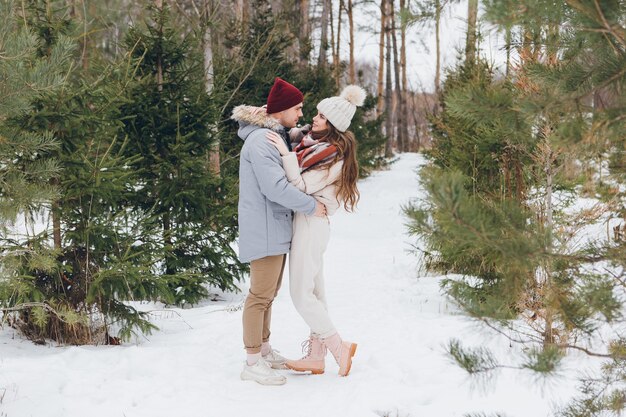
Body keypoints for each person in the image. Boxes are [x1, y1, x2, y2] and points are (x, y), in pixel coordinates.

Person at [231, 77, 327, 386]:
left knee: (268, 294)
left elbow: (295, 138)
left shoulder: (274, 135)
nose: (301, 114)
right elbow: (275, 187)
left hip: (273, 227)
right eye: (298, 109)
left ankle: (265, 349)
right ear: (283, 109)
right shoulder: (261, 142)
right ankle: (251, 361)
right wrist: (311, 205)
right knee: (259, 295)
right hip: (265, 228)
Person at [265, 85, 365, 377]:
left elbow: (302, 186)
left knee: (300, 293)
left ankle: (338, 347)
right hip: (310, 221)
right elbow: (296, 136)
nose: (315, 118)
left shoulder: (332, 153)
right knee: (315, 290)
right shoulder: (313, 143)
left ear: (333, 124)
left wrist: (284, 153)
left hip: (312, 222)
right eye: (317, 113)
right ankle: (317, 355)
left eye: (322, 116)